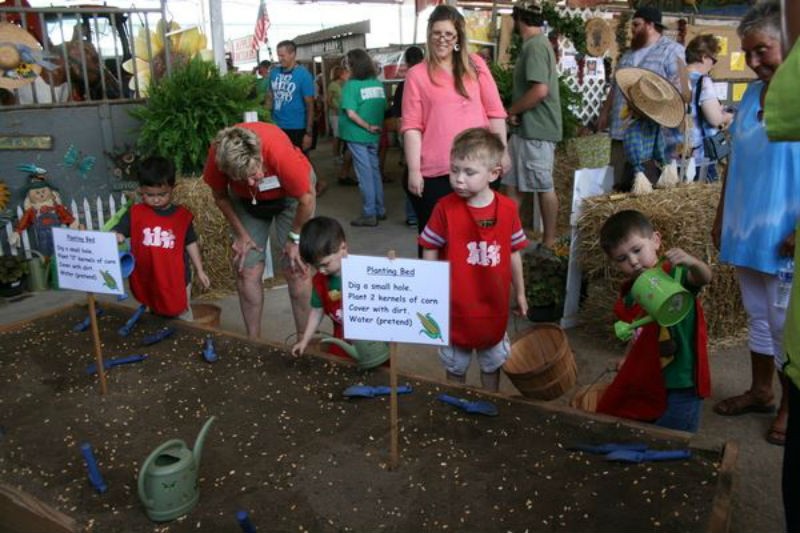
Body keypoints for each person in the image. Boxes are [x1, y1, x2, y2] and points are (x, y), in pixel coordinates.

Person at [710, 0, 800, 447]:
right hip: (746, 229)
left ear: (789, 44)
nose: (754, 61)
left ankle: (790, 403)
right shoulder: (747, 97)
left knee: (786, 325)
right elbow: (735, 162)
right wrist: (722, 213)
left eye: (762, 50)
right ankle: (762, 390)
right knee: (758, 318)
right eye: (748, 53)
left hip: (785, 236)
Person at [418, 128, 528, 392]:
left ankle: (490, 404)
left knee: (491, 365)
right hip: (454, 307)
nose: (458, 180)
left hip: (494, 305)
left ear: (494, 173)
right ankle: (455, 408)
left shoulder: (508, 208)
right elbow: (430, 246)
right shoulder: (444, 208)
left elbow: (514, 252)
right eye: (454, 170)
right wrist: (431, 289)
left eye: (469, 172)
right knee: (455, 367)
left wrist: (521, 293)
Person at [401, 4, 509, 257]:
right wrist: (415, 170)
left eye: (449, 34)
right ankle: (433, 293)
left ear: (458, 37)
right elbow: (412, 126)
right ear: (429, 35)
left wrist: (502, 153)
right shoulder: (417, 75)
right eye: (437, 33)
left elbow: (495, 112)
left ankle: (471, 292)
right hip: (435, 172)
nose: (442, 39)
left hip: (479, 166)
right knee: (434, 240)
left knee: (477, 241)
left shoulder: (477, 66)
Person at [597, 210, 712, 432]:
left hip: (682, 377)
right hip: (652, 377)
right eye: (622, 259)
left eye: (637, 250)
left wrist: (693, 262)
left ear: (656, 240)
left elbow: (703, 278)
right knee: (650, 431)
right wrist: (627, 357)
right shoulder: (633, 293)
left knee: (677, 435)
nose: (633, 261)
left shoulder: (673, 273)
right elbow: (638, 332)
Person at [202, 123, 316, 339]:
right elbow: (220, 196)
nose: (251, 182)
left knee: (297, 268)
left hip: (292, 199)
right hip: (247, 203)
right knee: (247, 269)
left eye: (254, 175)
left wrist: (295, 238)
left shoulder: (279, 154)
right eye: (242, 179)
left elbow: (306, 199)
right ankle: (254, 342)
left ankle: (305, 341)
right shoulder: (218, 155)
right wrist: (241, 234)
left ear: (260, 157)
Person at [596, 6, 685, 192]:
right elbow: (615, 86)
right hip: (620, 130)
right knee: (618, 183)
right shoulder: (628, 54)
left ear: (651, 25)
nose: (632, 29)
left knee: (647, 186)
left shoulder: (674, 51)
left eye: (636, 24)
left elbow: (684, 89)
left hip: (652, 133)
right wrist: (605, 112)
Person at [112, 156, 210, 319]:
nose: (156, 199)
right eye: (149, 195)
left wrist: (200, 270)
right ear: (141, 190)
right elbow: (119, 230)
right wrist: (117, 235)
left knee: (181, 311)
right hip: (149, 275)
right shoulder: (136, 214)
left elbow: (191, 243)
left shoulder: (181, 217)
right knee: (154, 310)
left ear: (173, 188)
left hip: (176, 277)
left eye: (162, 194)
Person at [502, 0, 562, 249]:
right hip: (526, 129)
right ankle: (508, 241)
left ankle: (549, 242)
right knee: (514, 186)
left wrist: (512, 110)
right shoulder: (535, 44)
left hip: (537, 129)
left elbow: (539, 90)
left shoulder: (536, 46)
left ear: (518, 19)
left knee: (543, 185)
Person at [268, 40, 326, 196]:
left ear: (293, 54)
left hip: (297, 126)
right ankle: (286, 186)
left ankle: (317, 183)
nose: (280, 59)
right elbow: (270, 97)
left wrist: (308, 132)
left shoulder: (304, 76)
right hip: (277, 124)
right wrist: (266, 119)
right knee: (280, 158)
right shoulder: (274, 73)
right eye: (278, 55)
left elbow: (310, 105)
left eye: (283, 55)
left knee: (301, 158)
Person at [338, 48, 387, 227]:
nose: (345, 67)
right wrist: (372, 127)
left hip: (357, 134)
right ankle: (380, 209)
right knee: (374, 172)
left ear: (353, 65)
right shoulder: (377, 83)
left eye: (347, 64)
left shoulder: (351, 86)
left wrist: (366, 126)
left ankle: (369, 213)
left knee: (364, 175)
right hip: (374, 135)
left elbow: (350, 113)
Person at [291, 216, 351, 360]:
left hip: (372, 343)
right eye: (316, 267)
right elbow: (317, 311)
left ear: (343, 248)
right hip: (341, 340)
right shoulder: (320, 280)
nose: (321, 271)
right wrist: (304, 340)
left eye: (325, 264)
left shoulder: (365, 272)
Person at [685, 34, 733, 182]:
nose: (713, 65)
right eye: (714, 60)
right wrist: (728, 116)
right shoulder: (703, 81)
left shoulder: (674, 76)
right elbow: (714, 119)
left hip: (672, 155)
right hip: (699, 156)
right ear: (703, 57)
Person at [391, 45, 424, 227]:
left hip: (410, 135)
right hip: (427, 135)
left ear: (406, 62)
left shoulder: (404, 85)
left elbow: (399, 118)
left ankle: (412, 215)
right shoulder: (430, 79)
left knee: (411, 173)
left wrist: (402, 141)